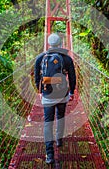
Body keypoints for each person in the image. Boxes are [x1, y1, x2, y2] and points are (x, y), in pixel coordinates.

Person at [34, 33, 76, 164]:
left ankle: (49, 154)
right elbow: (73, 77)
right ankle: (59, 139)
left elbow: (37, 78)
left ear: (48, 44)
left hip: (47, 95)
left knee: (48, 122)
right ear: (60, 44)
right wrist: (72, 92)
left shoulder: (40, 58)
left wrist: (40, 91)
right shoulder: (67, 58)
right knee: (61, 116)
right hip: (62, 94)